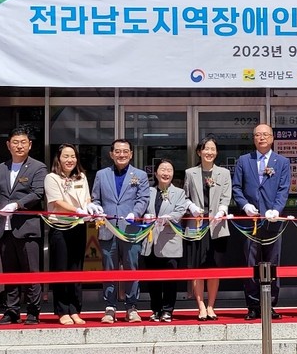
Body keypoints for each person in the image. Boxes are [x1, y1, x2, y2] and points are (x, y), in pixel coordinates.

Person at [0, 127, 48, 325]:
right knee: (9, 271)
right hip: (4, 228)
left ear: (29, 145)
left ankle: (33, 311)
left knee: (31, 271)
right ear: (8, 145)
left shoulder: (38, 167)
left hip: (27, 228)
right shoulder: (0, 168)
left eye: (23, 142)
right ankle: (11, 311)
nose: (19, 146)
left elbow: (38, 193)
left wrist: (17, 205)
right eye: (15, 142)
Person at [232, 123, 291, 320]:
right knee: (251, 262)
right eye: (258, 135)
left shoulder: (282, 162)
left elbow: (283, 189)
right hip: (251, 221)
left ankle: (270, 304)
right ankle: (252, 305)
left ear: (272, 138)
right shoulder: (244, 160)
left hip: (273, 221)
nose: (262, 138)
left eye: (265, 134)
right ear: (253, 138)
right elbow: (237, 188)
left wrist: (276, 209)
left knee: (272, 263)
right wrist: (245, 206)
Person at [91, 138, 150, 323]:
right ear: (111, 154)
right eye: (117, 151)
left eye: (125, 151)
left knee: (131, 268)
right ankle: (110, 308)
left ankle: (131, 307)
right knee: (109, 269)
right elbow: (96, 198)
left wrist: (135, 213)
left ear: (131, 154)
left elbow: (143, 199)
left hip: (130, 229)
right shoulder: (101, 174)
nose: (121, 154)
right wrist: (96, 209)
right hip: (108, 229)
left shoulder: (140, 175)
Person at [183, 136, 232, 321]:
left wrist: (222, 210)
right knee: (197, 267)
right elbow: (184, 196)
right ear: (199, 152)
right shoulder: (190, 173)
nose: (209, 152)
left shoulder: (224, 173)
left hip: (217, 226)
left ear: (216, 152)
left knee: (214, 267)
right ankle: (201, 306)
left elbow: (226, 197)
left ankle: (211, 305)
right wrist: (191, 207)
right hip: (196, 226)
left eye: (213, 149)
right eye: (206, 149)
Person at [44, 143, 91, 325]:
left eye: (73, 156)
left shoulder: (81, 177)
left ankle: (75, 309)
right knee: (61, 269)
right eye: (66, 156)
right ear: (59, 158)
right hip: (60, 228)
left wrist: (89, 208)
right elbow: (57, 202)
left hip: (78, 227)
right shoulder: (52, 178)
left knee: (76, 269)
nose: (70, 160)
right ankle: (62, 310)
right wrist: (78, 210)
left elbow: (87, 198)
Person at [141, 159, 187, 322]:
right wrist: (144, 217)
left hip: (170, 241)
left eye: (169, 170)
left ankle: (168, 310)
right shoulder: (148, 191)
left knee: (170, 279)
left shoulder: (179, 192)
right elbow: (141, 208)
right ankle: (155, 309)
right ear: (156, 173)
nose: (166, 173)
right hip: (150, 241)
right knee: (153, 279)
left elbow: (180, 211)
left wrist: (169, 218)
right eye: (162, 169)